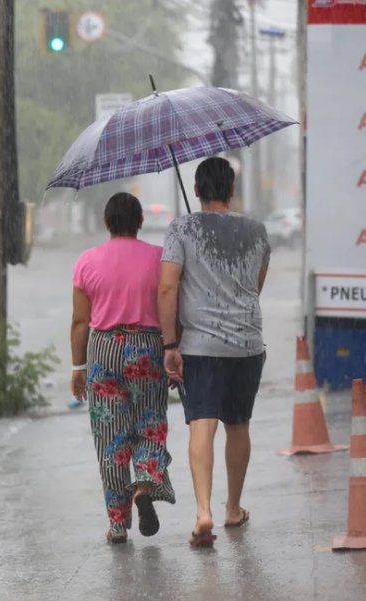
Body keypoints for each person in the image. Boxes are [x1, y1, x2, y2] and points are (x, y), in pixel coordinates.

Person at [157, 157, 270, 548]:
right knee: (238, 425)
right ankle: (233, 508)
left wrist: (170, 344)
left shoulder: (181, 228)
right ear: (232, 190)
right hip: (246, 344)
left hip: (200, 348)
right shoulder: (256, 231)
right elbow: (255, 286)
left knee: (201, 426)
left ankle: (203, 510)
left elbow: (168, 288)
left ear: (198, 191)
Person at [71, 192, 176, 544]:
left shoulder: (87, 261)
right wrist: (174, 351)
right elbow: (171, 306)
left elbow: (79, 322)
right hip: (148, 346)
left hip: (104, 349)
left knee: (110, 439)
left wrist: (78, 367)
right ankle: (143, 487)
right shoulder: (159, 258)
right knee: (150, 424)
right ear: (140, 222)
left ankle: (118, 524)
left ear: (106, 222)